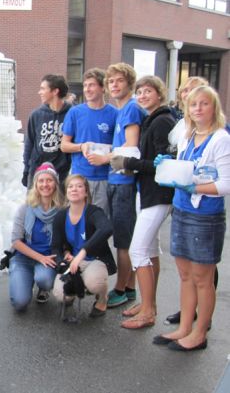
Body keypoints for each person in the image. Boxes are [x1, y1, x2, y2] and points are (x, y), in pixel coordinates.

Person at [153, 86, 230, 351]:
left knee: (202, 278)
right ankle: (184, 328)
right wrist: (166, 164)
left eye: (204, 104)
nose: (197, 108)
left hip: (205, 216)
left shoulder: (221, 139)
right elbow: (186, 169)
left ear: (214, 108)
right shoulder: (187, 135)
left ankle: (199, 334)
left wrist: (194, 188)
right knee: (185, 275)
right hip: (182, 210)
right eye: (193, 104)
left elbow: (226, 184)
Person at [110, 76, 175, 328]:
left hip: (157, 194)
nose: (143, 95)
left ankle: (148, 312)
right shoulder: (152, 119)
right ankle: (149, 304)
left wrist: (128, 163)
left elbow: (163, 165)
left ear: (159, 94)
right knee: (149, 251)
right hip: (147, 192)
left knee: (138, 250)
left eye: (148, 91)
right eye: (140, 91)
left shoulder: (161, 121)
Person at [165, 76, 210, 326]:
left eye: (198, 97)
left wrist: (195, 184)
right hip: (181, 203)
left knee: (203, 271)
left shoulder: (219, 134)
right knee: (186, 271)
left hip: (203, 209)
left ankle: (203, 320)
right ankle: (187, 316)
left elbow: (222, 179)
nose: (191, 99)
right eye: (186, 93)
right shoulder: (184, 130)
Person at [105, 63, 145, 308]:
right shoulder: (122, 110)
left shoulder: (130, 109)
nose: (114, 85)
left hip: (124, 182)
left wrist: (104, 157)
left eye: (119, 81)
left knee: (123, 239)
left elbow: (131, 148)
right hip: (117, 180)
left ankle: (119, 289)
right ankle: (129, 287)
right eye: (111, 82)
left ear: (129, 83)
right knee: (124, 237)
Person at [51, 175, 116, 317]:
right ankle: (72, 293)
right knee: (60, 294)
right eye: (70, 186)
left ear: (86, 192)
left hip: (94, 259)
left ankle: (103, 298)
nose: (74, 189)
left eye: (79, 186)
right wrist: (64, 258)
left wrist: (82, 252)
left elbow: (106, 229)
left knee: (94, 284)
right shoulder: (61, 216)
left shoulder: (94, 212)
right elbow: (55, 247)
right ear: (66, 192)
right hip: (72, 262)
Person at [61, 68, 117, 214]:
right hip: (79, 177)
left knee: (100, 223)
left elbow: (121, 147)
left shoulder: (115, 114)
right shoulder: (75, 112)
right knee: (78, 221)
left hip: (104, 178)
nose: (87, 89)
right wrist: (82, 146)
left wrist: (106, 154)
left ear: (103, 88)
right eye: (85, 85)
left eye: (91, 85)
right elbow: (64, 145)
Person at [9, 162, 63, 311]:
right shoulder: (25, 208)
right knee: (20, 303)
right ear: (36, 184)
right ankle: (21, 278)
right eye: (41, 180)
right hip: (23, 257)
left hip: (48, 258)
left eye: (49, 180)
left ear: (56, 184)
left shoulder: (62, 210)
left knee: (44, 280)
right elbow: (15, 241)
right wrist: (39, 258)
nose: (45, 184)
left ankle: (42, 287)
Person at [22, 74, 72, 188]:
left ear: (55, 91)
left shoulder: (72, 113)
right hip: (37, 172)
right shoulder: (36, 115)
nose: (39, 92)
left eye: (43, 89)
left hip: (61, 174)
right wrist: (26, 170)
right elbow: (29, 144)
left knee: (59, 206)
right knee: (34, 206)